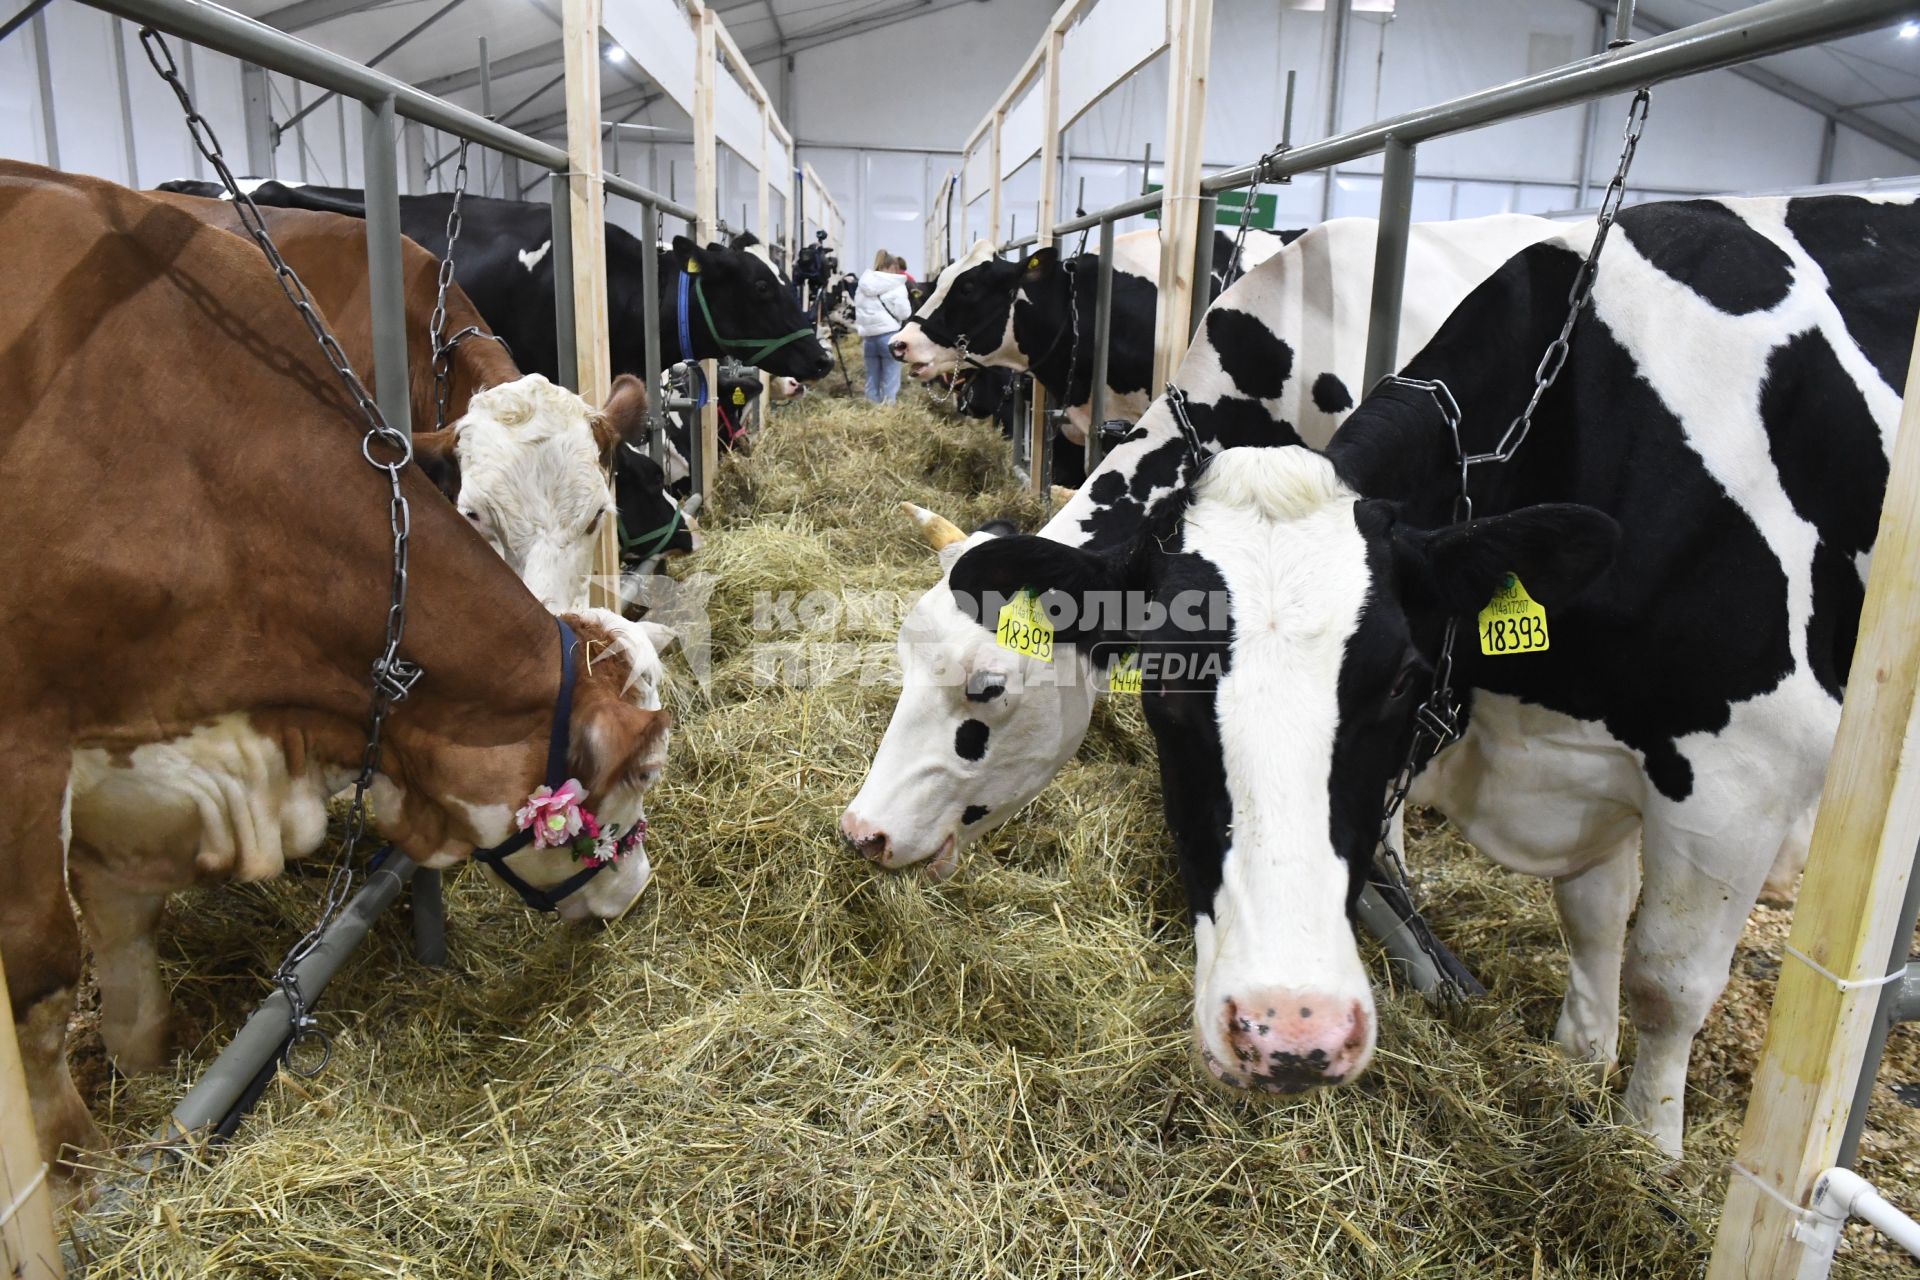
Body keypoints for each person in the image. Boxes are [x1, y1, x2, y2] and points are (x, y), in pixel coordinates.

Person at [854, 249, 911, 405]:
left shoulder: (863, 284)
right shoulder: (896, 285)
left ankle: (871, 406)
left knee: (872, 377)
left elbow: (858, 309)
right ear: (893, 267)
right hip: (889, 336)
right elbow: (904, 313)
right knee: (891, 377)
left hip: (868, 338)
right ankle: (887, 410)